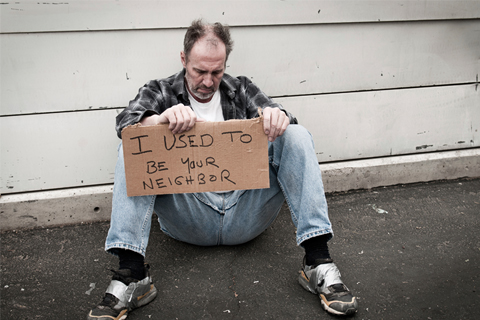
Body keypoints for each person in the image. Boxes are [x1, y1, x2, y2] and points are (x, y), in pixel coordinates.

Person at [87, 19, 358, 319]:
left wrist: (276, 116)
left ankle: (317, 262)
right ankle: (131, 275)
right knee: (132, 146)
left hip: (245, 211)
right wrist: (158, 121)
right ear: (183, 59)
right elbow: (125, 122)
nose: (207, 81)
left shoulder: (239, 88)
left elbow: (279, 115)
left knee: (296, 134)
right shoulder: (161, 91)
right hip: (189, 212)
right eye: (199, 71)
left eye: (216, 72)